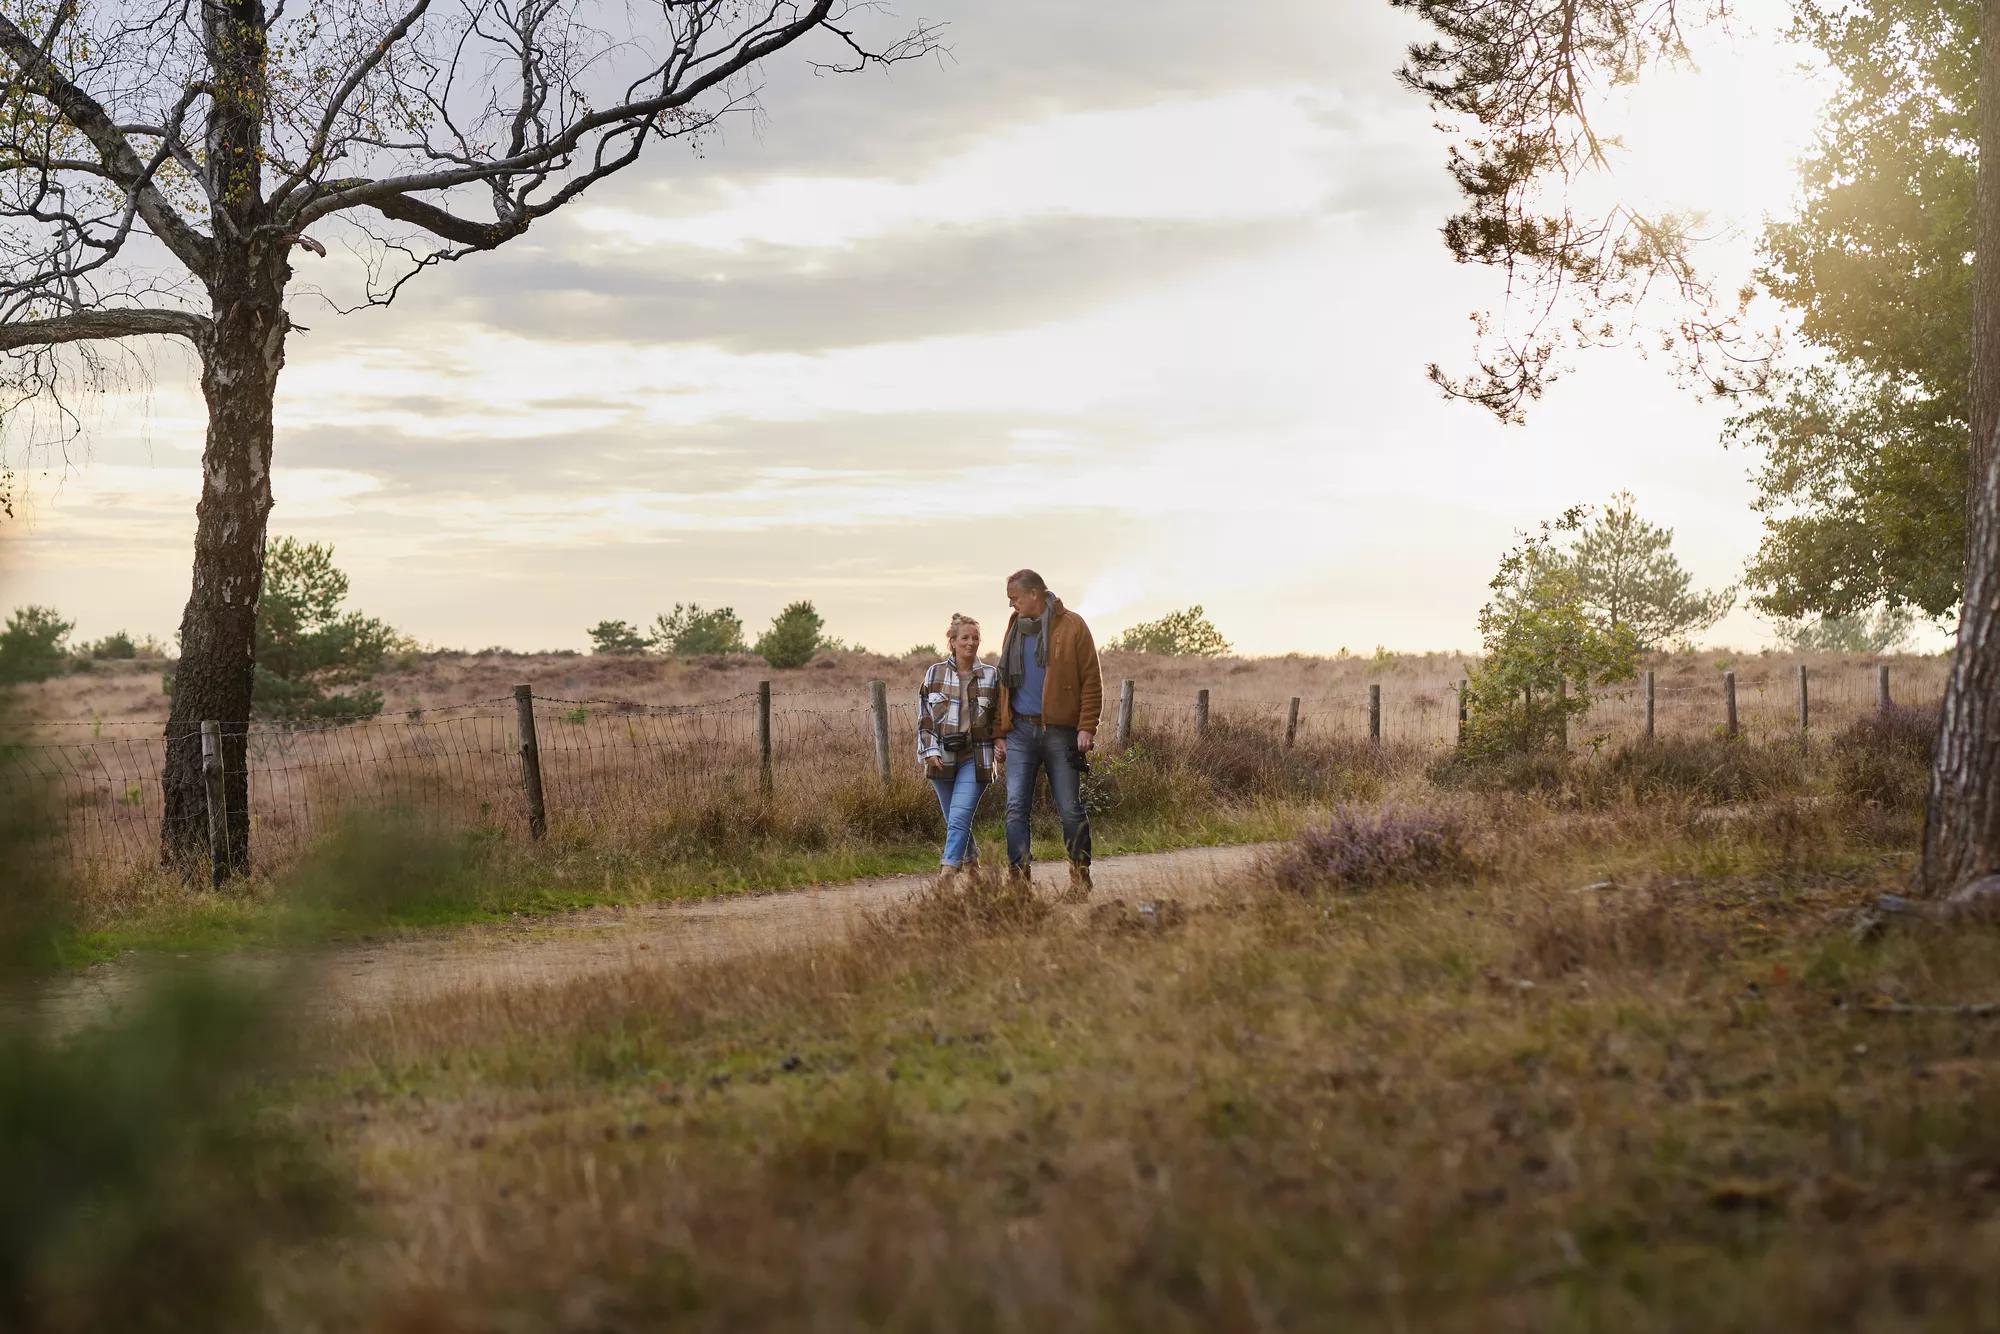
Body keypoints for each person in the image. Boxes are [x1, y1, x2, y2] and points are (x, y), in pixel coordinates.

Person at [992, 568, 1101, 899]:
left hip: (1060, 732)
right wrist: (1000, 731)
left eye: (1015, 598)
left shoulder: (1073, 626)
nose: (1011, 605)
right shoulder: (1015, 628)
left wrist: (1086, 726)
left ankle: (1080, 878)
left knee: (1070, 807)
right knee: (1015, 807)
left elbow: (1091, 680)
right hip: (1020, 731)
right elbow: (1003, 684)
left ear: (1034, 595)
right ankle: (1019, 883)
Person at [916, 612, 1001, 885]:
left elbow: (1000, 716)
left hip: (976, 757)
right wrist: (930, 751)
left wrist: (1002, 741)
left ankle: (947, 873)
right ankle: (972, 863)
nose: (971, 643)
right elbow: (925, 717)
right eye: (965, 637)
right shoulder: (935, 673)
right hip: (941, 756)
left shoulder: (991, 676)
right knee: (955, 816)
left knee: (961, 812)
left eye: (976, 638)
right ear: (952, 641)